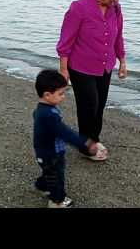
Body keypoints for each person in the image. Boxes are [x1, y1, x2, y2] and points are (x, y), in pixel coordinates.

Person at [56, 0, 127, 161]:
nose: (116, 0)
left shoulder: (116, 9)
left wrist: (122, 61)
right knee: (89, 105)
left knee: (99, 105)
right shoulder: (78, 8)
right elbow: (65, 42)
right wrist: (63, 70)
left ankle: (93, 139)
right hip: (81, 67)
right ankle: (86, 146)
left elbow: (117, 36)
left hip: (105, 66)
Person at [33, 69, 99, 208]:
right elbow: (65, 133)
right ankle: (57, 200)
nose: (63, 97)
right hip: (50, 153)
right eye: (60, 94)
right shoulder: (49, 115)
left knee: (49, 172)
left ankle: (42, 185)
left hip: (45, 151)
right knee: (57, 176)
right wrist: (85, 142)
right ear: (47, 95)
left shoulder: (41, 109)